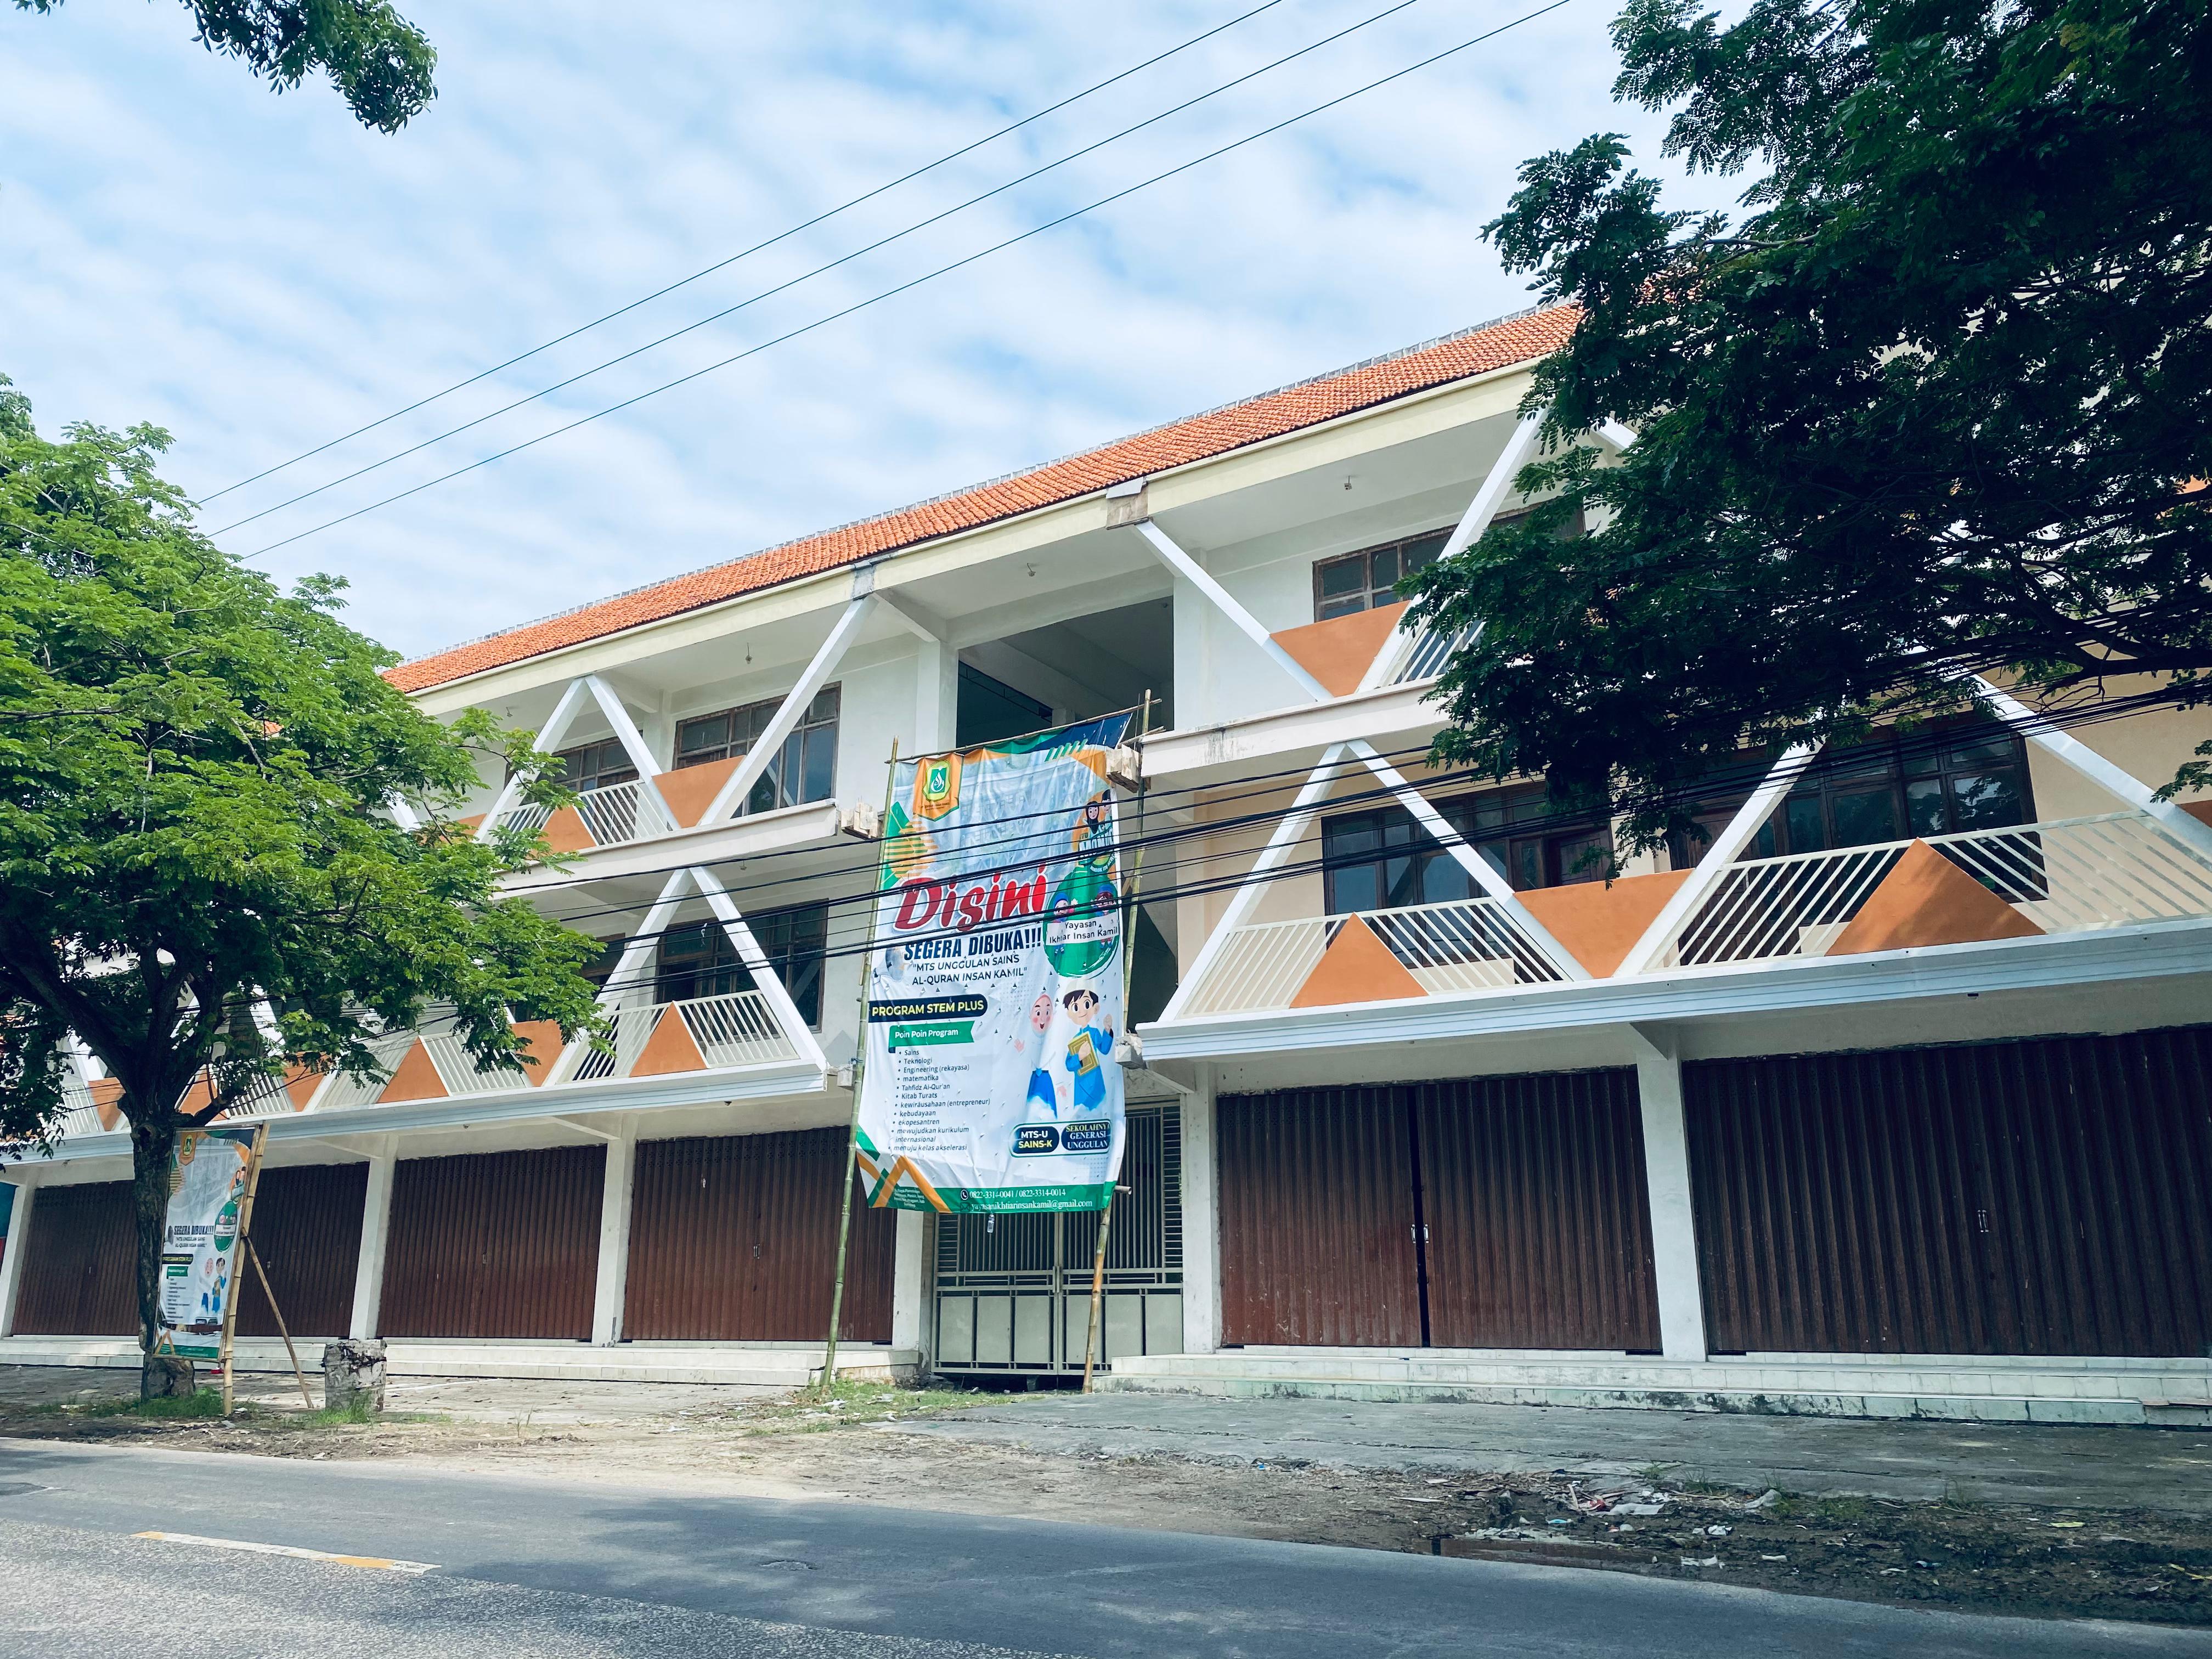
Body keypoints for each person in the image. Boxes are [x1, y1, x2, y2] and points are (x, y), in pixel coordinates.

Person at [1061, 986, 1115, 1113]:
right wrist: (1079, 1056)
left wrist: (1107, 1030)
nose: (1081, 1012)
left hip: (1095, 1077)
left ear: (1095, 1008)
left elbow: (1105, 1049)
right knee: (1082, 1112)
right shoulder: (1074, 1040)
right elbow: (1069, 1065)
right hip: (1081, 1082)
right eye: (1075, 1008)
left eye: (1086, 1004)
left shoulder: (1094, 1032)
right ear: (1069, 1013)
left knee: (1099, 1107)